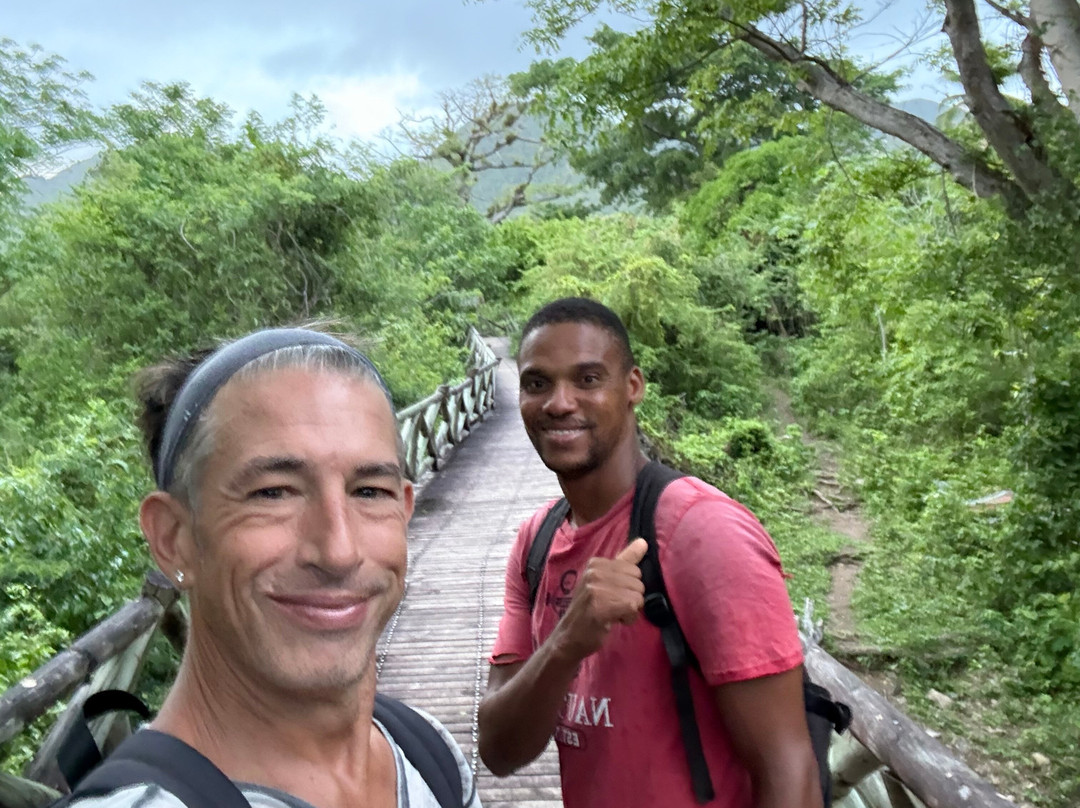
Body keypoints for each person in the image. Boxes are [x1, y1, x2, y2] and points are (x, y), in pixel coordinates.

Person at [67, 327, 479, 808]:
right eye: (272, 493)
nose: (339, 551)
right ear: (174, 538)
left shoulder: (429, 754)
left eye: (369, 491)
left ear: (404, 510)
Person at [477, 298, 821, 808]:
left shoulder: (703, 531)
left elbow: (790, 769)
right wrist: (565, 645)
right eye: (537, 383)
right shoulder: (536, 542)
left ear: (632, 386)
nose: (559, 402)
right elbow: (499, 750)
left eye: (588, 379)